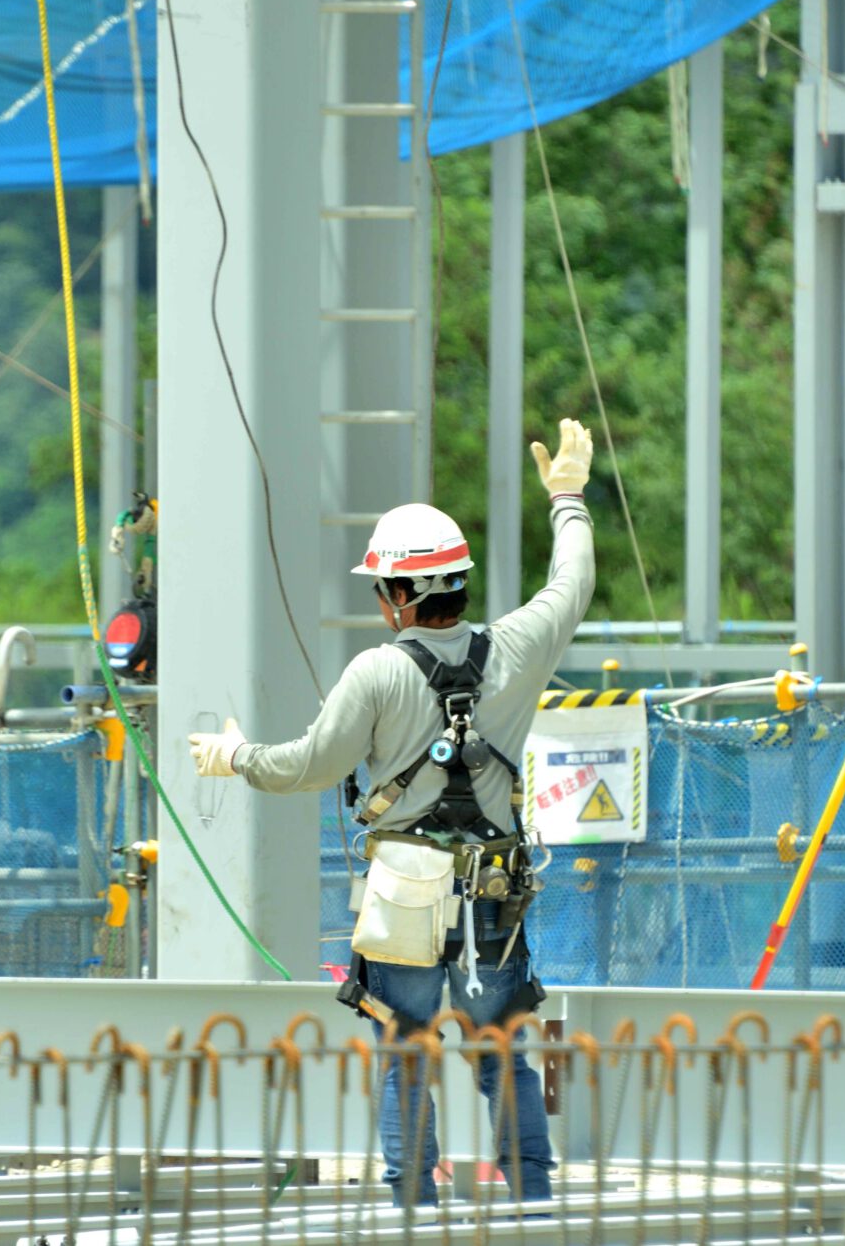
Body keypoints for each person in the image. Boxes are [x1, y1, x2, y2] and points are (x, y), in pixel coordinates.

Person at [188, 418, 597, 1210]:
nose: (381, 602)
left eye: (382, 589)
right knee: (501, 1051)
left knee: (405, 1052)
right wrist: (569, 499)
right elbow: (570, 583)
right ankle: (537, 1208)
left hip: (405, 896)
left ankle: (412, 1211)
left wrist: (235, 756)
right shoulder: (517, 648)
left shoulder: (377, 673)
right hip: (494, 898)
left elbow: (307, 767)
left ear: (402, 594)